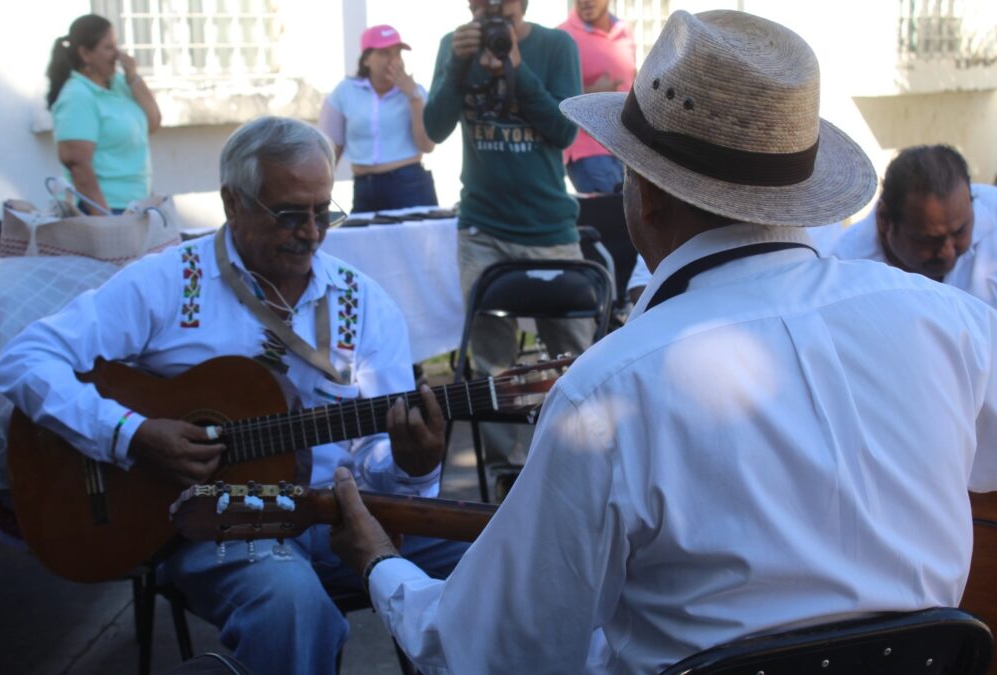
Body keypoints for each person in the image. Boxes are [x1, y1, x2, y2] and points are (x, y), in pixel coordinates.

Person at [327, 10, 997, 673]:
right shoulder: (955, 323)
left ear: (641, 193)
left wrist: (380, 563)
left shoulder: (609, 391)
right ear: (799, 190)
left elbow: (484, 653)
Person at [0, 117, 464, 675]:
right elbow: (23, 360)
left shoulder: (364, 305)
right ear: (232, 203)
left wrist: (416, 466)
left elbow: (381, 471)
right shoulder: (168, 282)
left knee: (503, 553)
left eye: (323, 211)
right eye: (289, 214)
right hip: (220, 522)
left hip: (341, 516)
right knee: (291, 606)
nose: (311, 232)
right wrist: (132, 434)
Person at [424, 0, 589, 469]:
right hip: (483, 228)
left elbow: (563, 131)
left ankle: (581, 459)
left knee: (575, 356)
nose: (490, 9)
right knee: (492, 364)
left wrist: (518, 67)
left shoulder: (557, 46)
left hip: (549, 226)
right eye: (480, 2)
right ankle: (503, 472)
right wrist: (457, 67)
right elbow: (433, 128)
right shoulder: (453, 46)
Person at [832, 144, 997, 307]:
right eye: (929, 240)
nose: (948, 252)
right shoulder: (844, 274)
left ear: (971, 201)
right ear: (884, 219)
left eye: (960, 231)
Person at [46, 14, 161, 214]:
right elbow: (77, 163)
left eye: (116, 46)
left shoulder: (119, 84)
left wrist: (133, 77)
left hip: (135, 204)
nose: (117, 54)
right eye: (108, 48)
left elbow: (153, 122)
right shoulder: (78, 95)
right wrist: (103, 217)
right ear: (85, 53)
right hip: (104, 209)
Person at [318, 25, 437, 214]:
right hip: (365, 185)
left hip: (408, 182)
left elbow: (427, 145)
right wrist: (320, 190)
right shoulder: (345, 91)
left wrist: (414, 98)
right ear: (366, 59)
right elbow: (330, 147)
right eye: (384, 53)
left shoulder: (416, 92)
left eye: (397, 53)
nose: (393, 60)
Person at [557, 0, 636, 194]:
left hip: (625, 146)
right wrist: (592, 91)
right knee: (611, 214)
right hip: (589, 149)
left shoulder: (624, 30)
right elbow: (553, 97)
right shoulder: (562, 37)